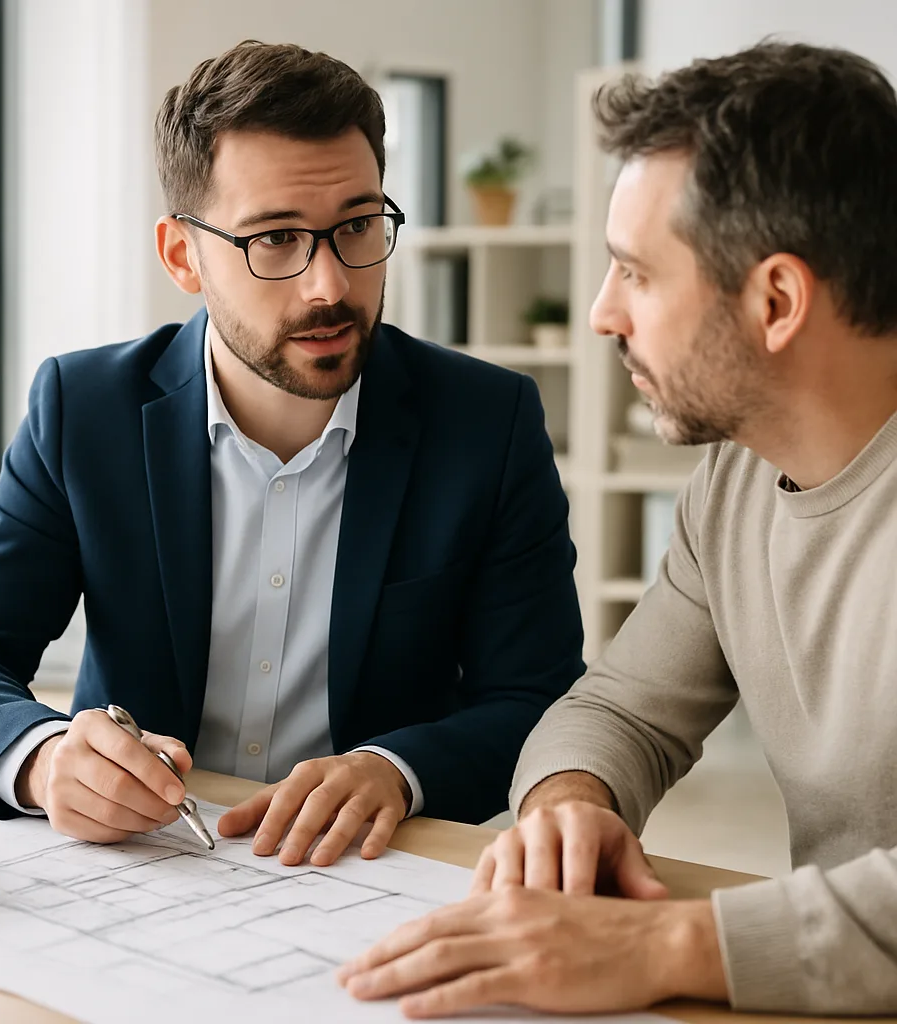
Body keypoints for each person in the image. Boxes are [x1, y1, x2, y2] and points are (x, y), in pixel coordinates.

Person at [0, 41, 583, 868]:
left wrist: (396, 770)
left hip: (370, 871)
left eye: (357, 226)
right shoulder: (87, 411)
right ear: (184, 255)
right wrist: (40, 760)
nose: (327, 283)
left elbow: (535, 698)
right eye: (275, 239)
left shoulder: (487, 421)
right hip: (143, 867)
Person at [337, 40, 897, 1016]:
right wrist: (570, 804)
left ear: (775, 301)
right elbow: (624, 708)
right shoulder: (735, 476)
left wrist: (668, 941)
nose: (600, 314)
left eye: (634, 273)